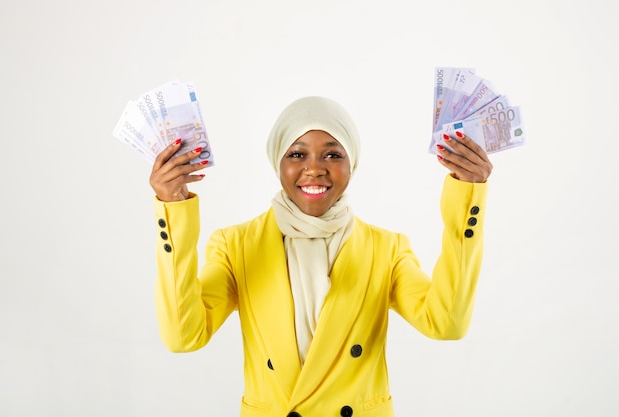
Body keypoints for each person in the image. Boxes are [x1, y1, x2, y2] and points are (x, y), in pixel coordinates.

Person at [149, 96, 492, 417]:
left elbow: (446, 323)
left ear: (351, 164)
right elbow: (184, 336)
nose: (314, 169)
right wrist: (174, 210)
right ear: (277, 163)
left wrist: (466, 201)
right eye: (297, 154)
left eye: (332, 155)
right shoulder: (234, 245)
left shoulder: (387, 249)